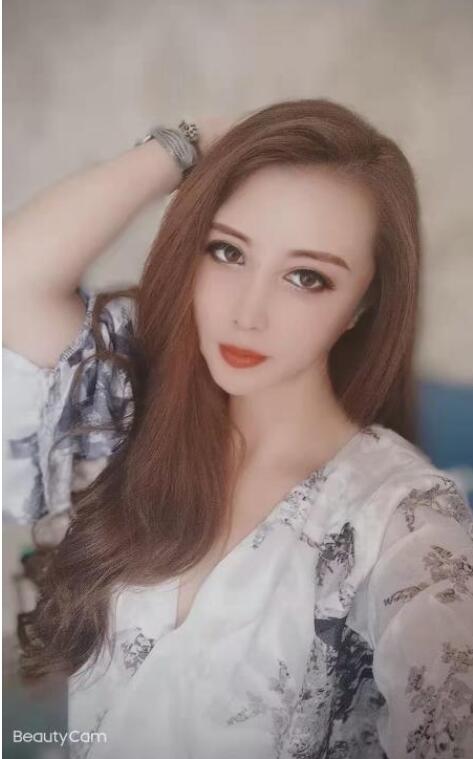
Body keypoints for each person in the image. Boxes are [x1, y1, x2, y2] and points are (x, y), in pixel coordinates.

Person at [3, 99, 473, 759]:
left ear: (362, 303)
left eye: (306, 277)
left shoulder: (401, 520)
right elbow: (13, 282)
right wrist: (184, 146)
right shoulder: (128, 411)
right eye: (227, 251)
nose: (248, 313)